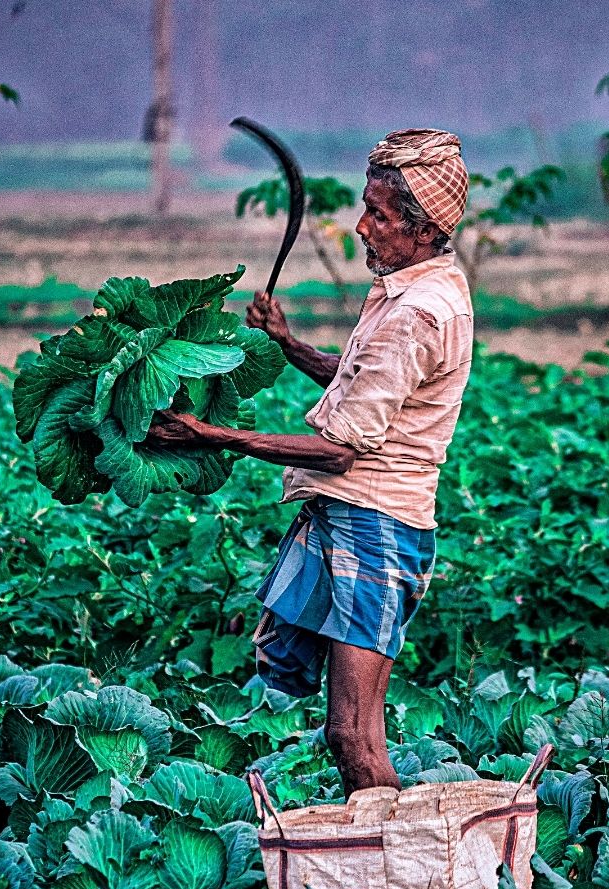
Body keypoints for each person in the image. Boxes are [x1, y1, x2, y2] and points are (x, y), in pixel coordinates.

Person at [146, 128, 473, 797]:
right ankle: (360, 844)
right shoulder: (413, 287)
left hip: (376, 528)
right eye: (366, 207)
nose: (361, 227)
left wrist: (206, 433)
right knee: (305, 694)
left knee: (352, 733)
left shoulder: (419, 313)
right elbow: (361, 381)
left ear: (422, 229)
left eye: (378, 217)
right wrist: (289, 345)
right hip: (347, 515)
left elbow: (342, 445)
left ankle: (397, 868)